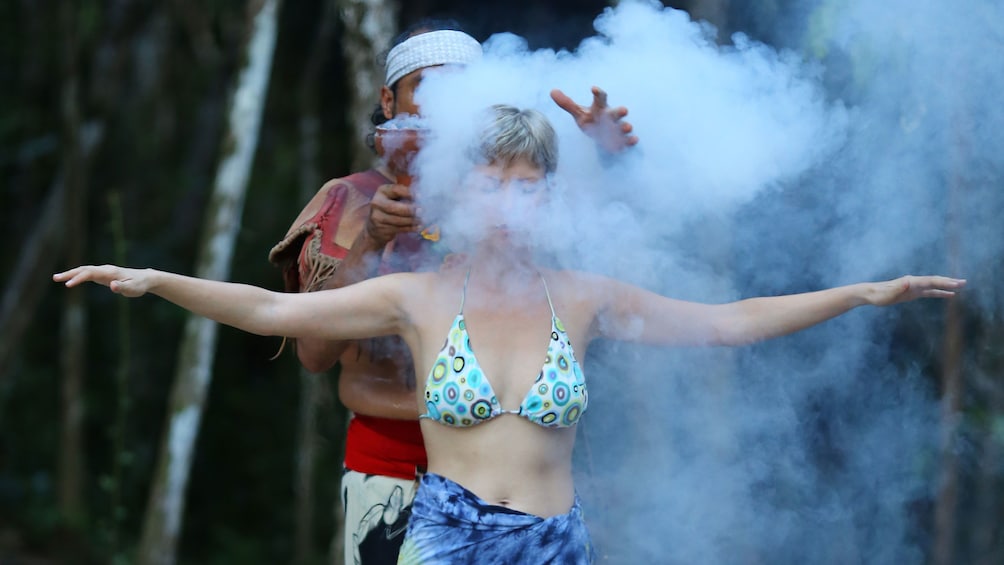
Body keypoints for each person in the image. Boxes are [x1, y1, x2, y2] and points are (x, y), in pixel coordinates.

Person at [54, 104, 965, 563]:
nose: (511, 199)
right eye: (493, 179)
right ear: (461, 190)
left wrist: (864, 290)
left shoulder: (584, 295)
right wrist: (156, 278)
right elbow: (276, 311)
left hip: (553, 541)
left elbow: (728, 325)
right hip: (443, 538)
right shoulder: (412, 296)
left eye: (531, 183)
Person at [267, 18, 640, 565]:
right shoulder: (349, 199)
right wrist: (370, 239)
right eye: (427, 85)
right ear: (388, 101)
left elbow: (607, 253)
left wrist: (607, 156)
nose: (444, 102)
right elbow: (314, 354)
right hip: (388, 468)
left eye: (458, 86)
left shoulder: (515, 201)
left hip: (513, 481)